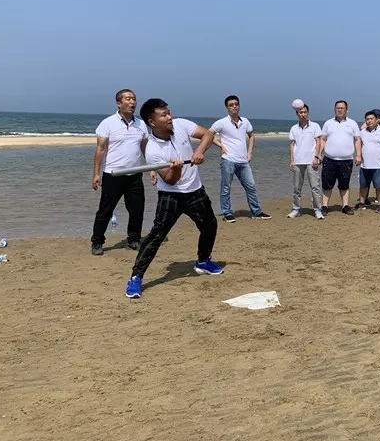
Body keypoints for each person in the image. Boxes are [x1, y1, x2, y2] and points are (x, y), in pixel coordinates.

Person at [125, 99, 223, 299]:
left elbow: (207, 134)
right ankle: (136, 278)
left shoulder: (181, 125)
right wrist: (176, 169)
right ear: (152, 122)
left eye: (168, 112)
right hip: (171, 196)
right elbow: (170, 180)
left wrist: (199, 151)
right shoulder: (153, 150)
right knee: (156, 236)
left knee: (209, 225)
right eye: (164, 115)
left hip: (195, 191)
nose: (169, 117)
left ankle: (203, 261)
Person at [90, 89, 152, 256]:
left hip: (135, 174)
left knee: (137, 209)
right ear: (119, 103)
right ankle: (97, 241)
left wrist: (152, 168)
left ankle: (133, 239)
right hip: (113, 175)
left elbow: (145, 148)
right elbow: (100, 149)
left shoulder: (141, 124)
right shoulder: (108, 123)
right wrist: (96, 174)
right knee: (105, 210)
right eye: (128, 99)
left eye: (134, 99)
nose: (132, 102)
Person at [210, 95, 271, 223]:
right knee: (226, 187)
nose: (234, 107)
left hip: (243, 161)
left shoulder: (245, 122)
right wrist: (221, 146)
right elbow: (208, 134)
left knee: (251, 186)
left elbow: (251, 136)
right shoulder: (221, 122)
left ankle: (256, 212)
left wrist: (250, 152)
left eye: (236, 104)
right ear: (227, 108)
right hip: (228, 160)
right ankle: (227, 213)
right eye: (231, 105)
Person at [319, 100, 362, 215]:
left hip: (346, 160)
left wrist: (358, 155)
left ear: (346, 110)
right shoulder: (328, 123)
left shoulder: (352, 123)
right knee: (326, 184)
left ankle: (345, 206)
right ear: (335, 109)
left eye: (342, 108)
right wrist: (319, 154)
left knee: (344, 184)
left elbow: (357, 140)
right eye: (337, 108)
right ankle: (324, 206)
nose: (339, 110)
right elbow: (323, 139)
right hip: (329, 159)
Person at [287, 102, 324, 219]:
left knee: (315, 187)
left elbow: (318, 142)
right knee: (297, 187)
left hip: (311, 160)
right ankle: (296, 208)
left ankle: (317, 209)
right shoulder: (294, 128)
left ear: (308, 113)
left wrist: (317, 157)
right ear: (297, 113)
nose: (303, 114)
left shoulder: (315, 126)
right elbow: (292, 144)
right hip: (298, 161)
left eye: (305, 112)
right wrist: (292, 160)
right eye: (300, 112)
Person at [355, 111, 380, 213]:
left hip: (379, 165)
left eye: (371, 119)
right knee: (363, 185)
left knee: (379, 185)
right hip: (365, 165)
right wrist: (358, 156)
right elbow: (358, 143)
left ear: (377, 120)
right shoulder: (362, 132)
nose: (369, 121)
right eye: (367, 119)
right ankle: (362, 203)